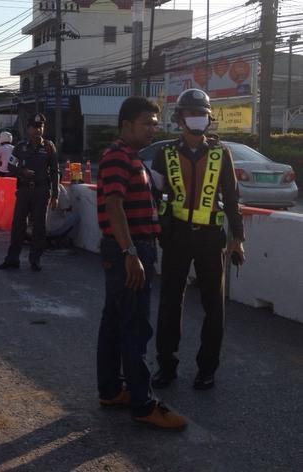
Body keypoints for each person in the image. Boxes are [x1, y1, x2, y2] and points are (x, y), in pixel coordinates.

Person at [96, 96, 187, 430]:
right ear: (127, 125)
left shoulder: (128, 157)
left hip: (128, 250)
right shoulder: (119, 157)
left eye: (155, 122)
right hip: (129, 253)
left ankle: (112, 390)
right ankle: (143, 403)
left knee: (115, 323)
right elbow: (114, 206)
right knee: (135, 326)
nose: (153, 128)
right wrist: (131, 253)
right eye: (147, 122)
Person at [151, 89, 245, 390]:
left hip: (210, 240)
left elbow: (232, 199)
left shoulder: (221, 154)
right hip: (176, 236)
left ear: (209, 119)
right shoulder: (164, 154)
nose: (197, 119)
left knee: (214, 307)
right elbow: (153, 198)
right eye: (191, 113)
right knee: (169, 304)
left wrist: (238, 238)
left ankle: (207, 369)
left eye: (202, 114)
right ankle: (166, 366)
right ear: (179, 119)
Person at [0, 113, 59, 272]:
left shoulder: (49, 147)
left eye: (41, 127)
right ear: (28, 129)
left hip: (41, 190)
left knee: (39, 227)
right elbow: (10, 166)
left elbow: (55, 171)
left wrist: (55, 195)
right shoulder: (20, 147)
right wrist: (22, 171)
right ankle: (12, 259)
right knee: (18, 226)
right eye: (35, 127)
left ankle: (35, 260)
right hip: (23, 190)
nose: (38, 130)